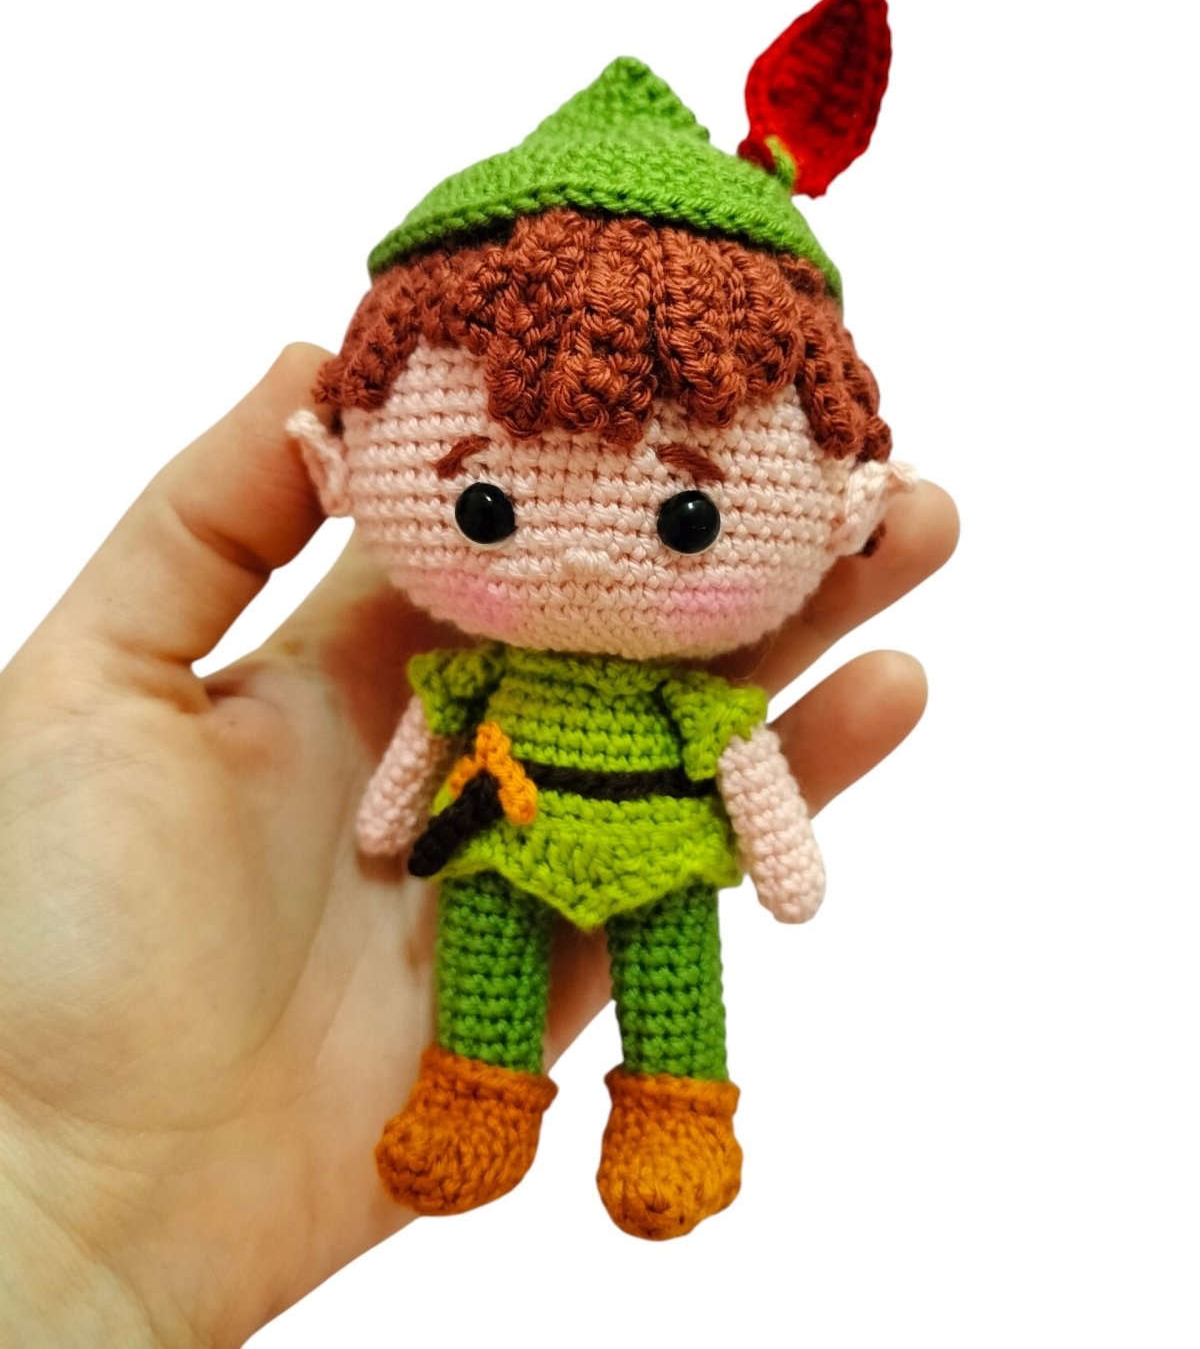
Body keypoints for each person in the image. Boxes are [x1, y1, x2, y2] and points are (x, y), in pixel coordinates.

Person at [0, 341, 957, 1343]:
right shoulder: (479, 679)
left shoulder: (690, 703)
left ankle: (676, 1113)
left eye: (688, 518)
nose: (583, 560)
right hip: (497, 835)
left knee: (672, 986)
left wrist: (782, 856)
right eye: (487, 509)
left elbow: (742, 757)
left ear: (839, 512)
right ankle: (476, 1098)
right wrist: (389, 812)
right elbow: (424, 742)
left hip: (661, 856)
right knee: (486, 967)